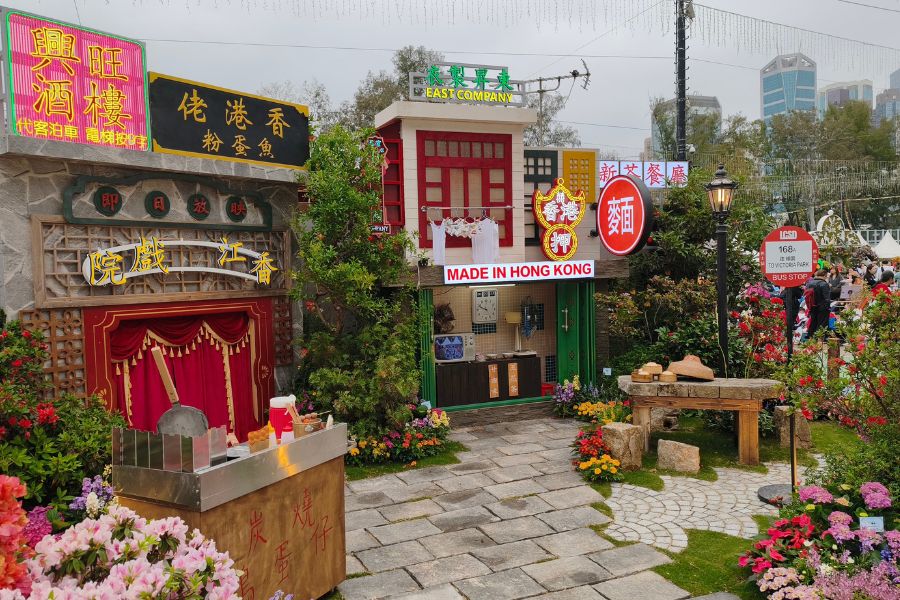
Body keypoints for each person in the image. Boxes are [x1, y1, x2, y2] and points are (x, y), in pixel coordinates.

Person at [804, 269, 832, 338]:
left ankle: (810, 336)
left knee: (813, 322)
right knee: (822, 323)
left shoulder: (809, 283)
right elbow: (826, 298)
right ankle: (819, 338)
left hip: (812, 306)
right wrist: (828, 307)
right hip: (822, 306)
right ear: (825, 275)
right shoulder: (824, 284)